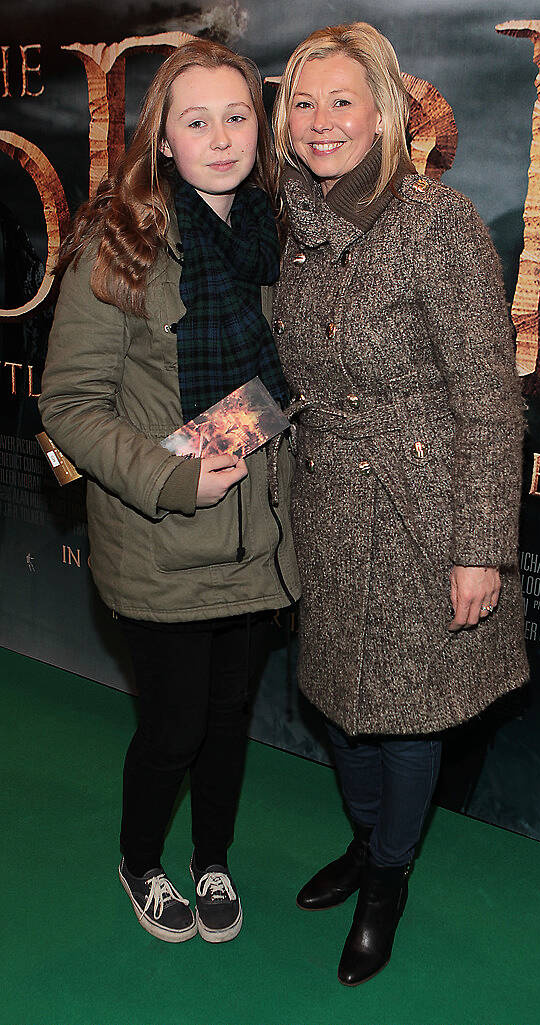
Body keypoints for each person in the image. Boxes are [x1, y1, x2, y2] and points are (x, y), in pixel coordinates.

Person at [272, 22, 528, 986]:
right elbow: (282, 375)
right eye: (303, 101)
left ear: (384, 113)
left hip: (424, 505)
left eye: (343, 100)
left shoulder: (437, 221)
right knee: (340, 700)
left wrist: (480, 548)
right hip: (329, 497)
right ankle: (369, 838)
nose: (322, 120)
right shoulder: (295, 227)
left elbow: (488, 398)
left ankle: (387, 878)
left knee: (409, 711)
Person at [39, 40, 299, 945]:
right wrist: (171, 477)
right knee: (173, 728)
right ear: (162, 139)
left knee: (230, 718)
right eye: (197, 120)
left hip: (257, 541)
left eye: (238, 116)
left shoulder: (271, 238)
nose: (221, 137)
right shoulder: (121, 244)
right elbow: (68, 403)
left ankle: (211, 855)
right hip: (161, 538)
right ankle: (141, 862)